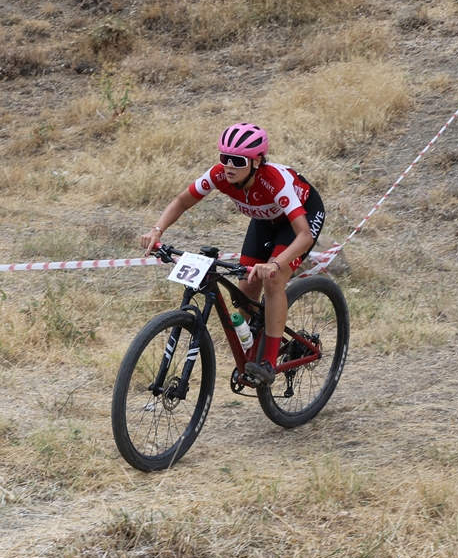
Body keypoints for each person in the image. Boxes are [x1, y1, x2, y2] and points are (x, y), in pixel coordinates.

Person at [139, 122, 325, 387]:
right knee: (246, 288)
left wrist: (275, 263)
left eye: (237, 161)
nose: (228, 166)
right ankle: (252, 349)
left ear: (257, 161)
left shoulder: (273, 181)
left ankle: (269, 362)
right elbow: (182, 201)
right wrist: (156, 231)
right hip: (265, 220)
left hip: (301, 218)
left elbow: (304, 235)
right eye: (224, 158)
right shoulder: (219, 175)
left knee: (273, 280)